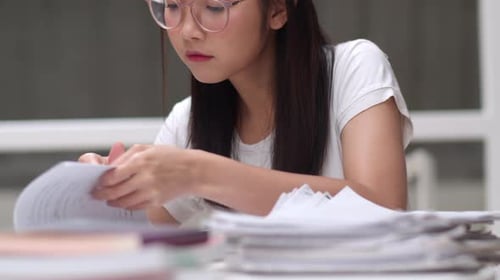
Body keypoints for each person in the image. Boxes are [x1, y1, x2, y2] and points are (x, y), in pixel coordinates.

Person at [79, 0, 413, 225]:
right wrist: (100, 192)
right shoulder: (187, 122)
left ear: (278, 10)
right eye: (173, 6)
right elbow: (136, 232)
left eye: (213, 6)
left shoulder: (353, 68)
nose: (187, 31)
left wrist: (200, 173)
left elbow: (382, 207)